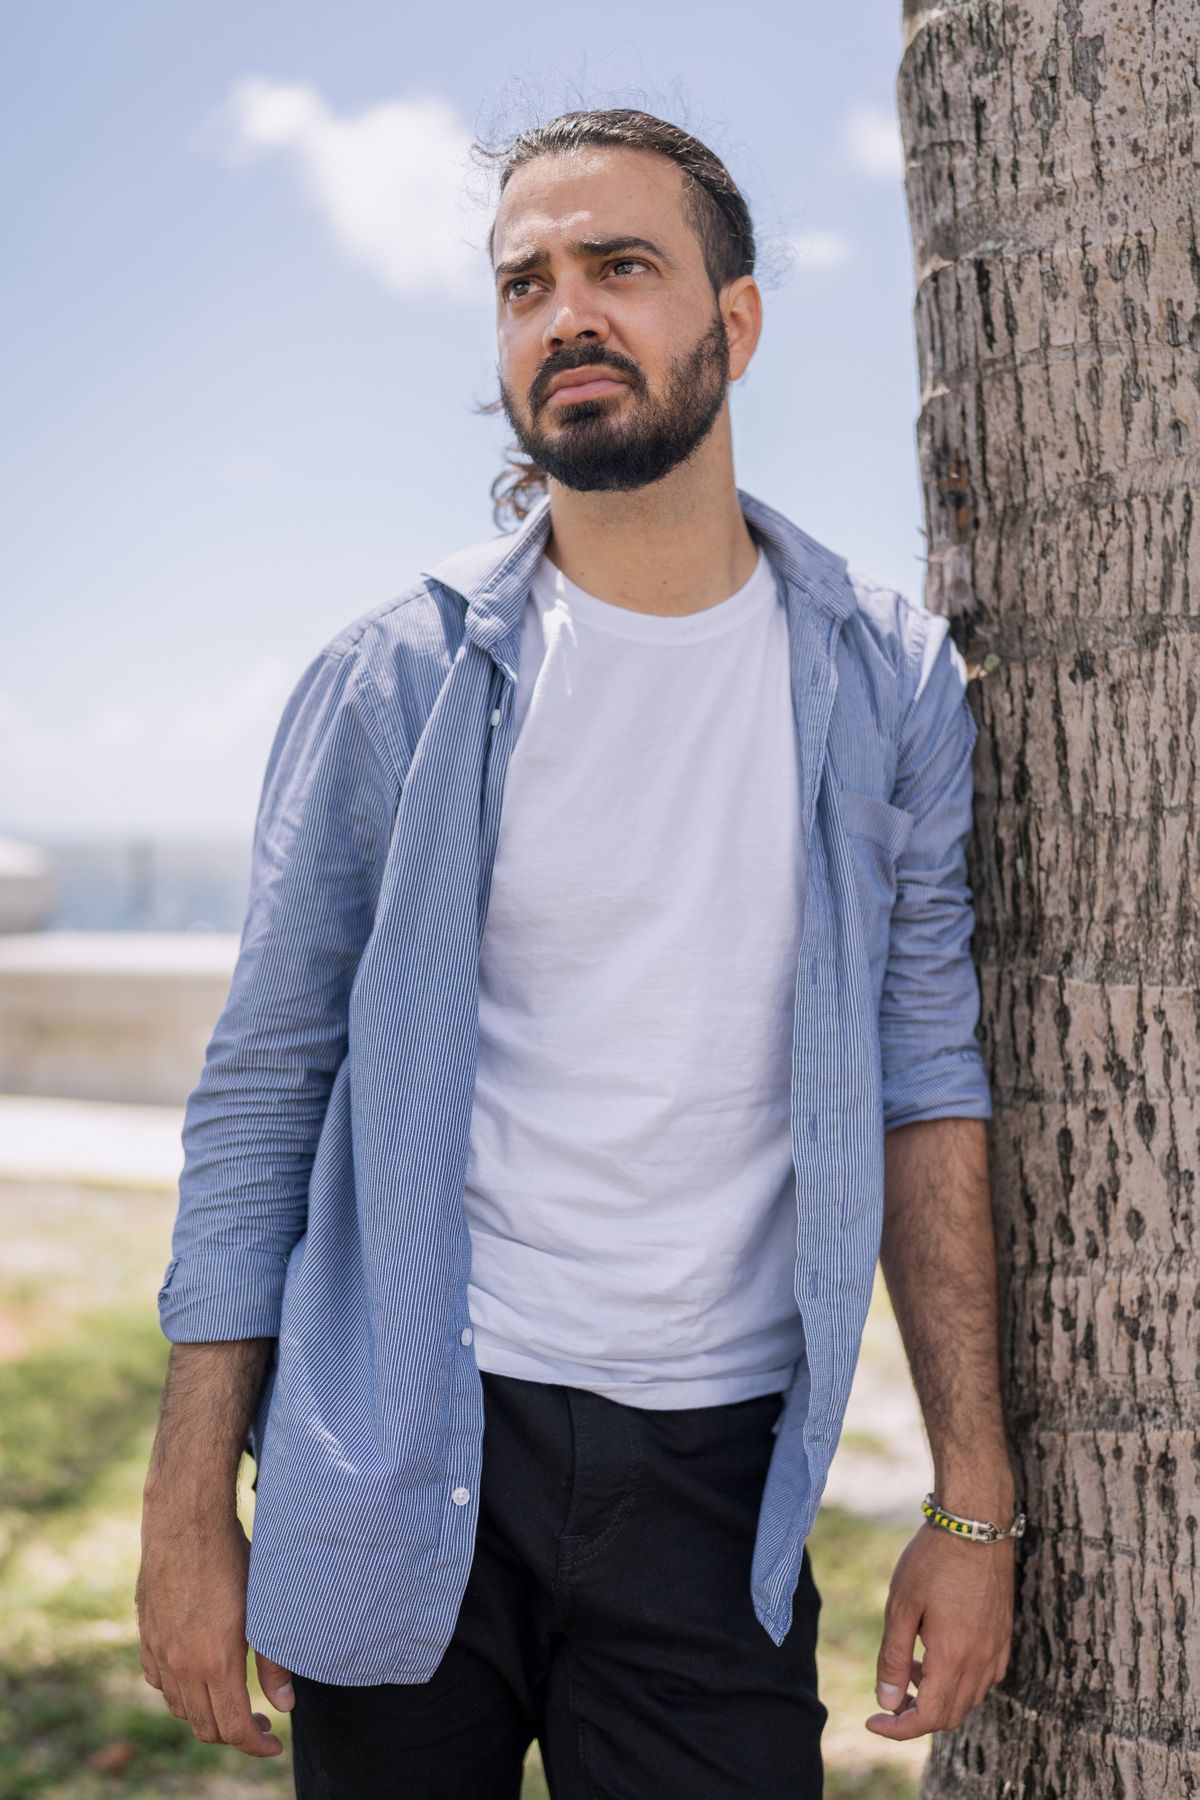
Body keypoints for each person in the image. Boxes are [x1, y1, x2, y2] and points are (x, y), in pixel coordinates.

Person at [136, 108, 1020, 1798]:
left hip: (715, 1484)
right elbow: (263, 1087)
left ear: (733, 322)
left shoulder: (879, 685)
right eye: (524, 283)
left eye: (620, 267)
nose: (565, 316)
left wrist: (969, 1502)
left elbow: (925, 1084)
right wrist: (189, 1511)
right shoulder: (398, 681)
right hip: (408, 1442)